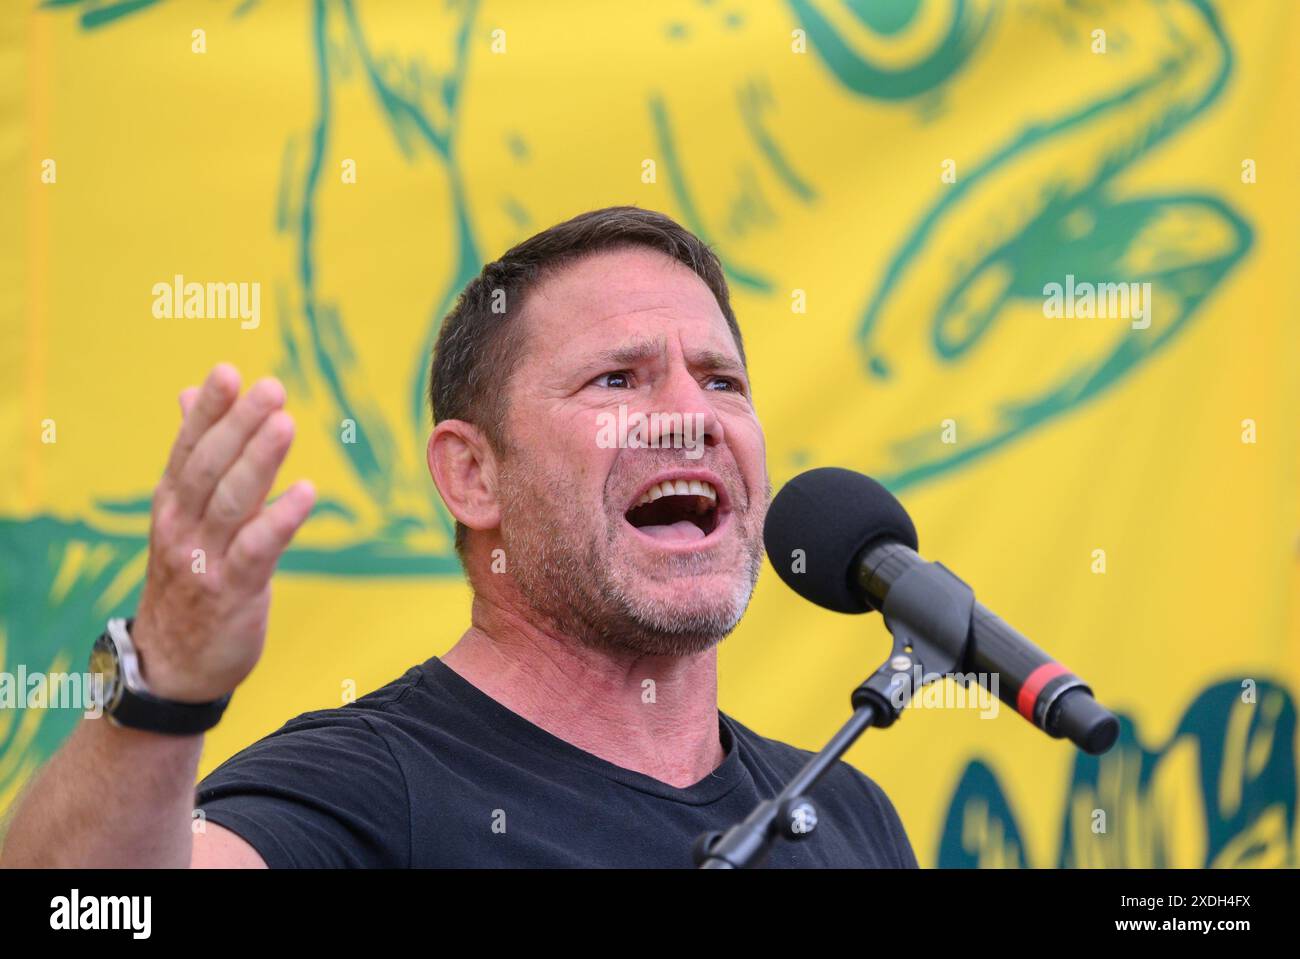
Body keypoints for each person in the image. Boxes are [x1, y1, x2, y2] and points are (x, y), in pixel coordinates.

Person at [1, 206, 917, 868]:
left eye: (721, 382)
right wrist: (162, 687)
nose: (691, 416)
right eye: (616, 379)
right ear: (472, 475)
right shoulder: (370, 787)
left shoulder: (845, 810)